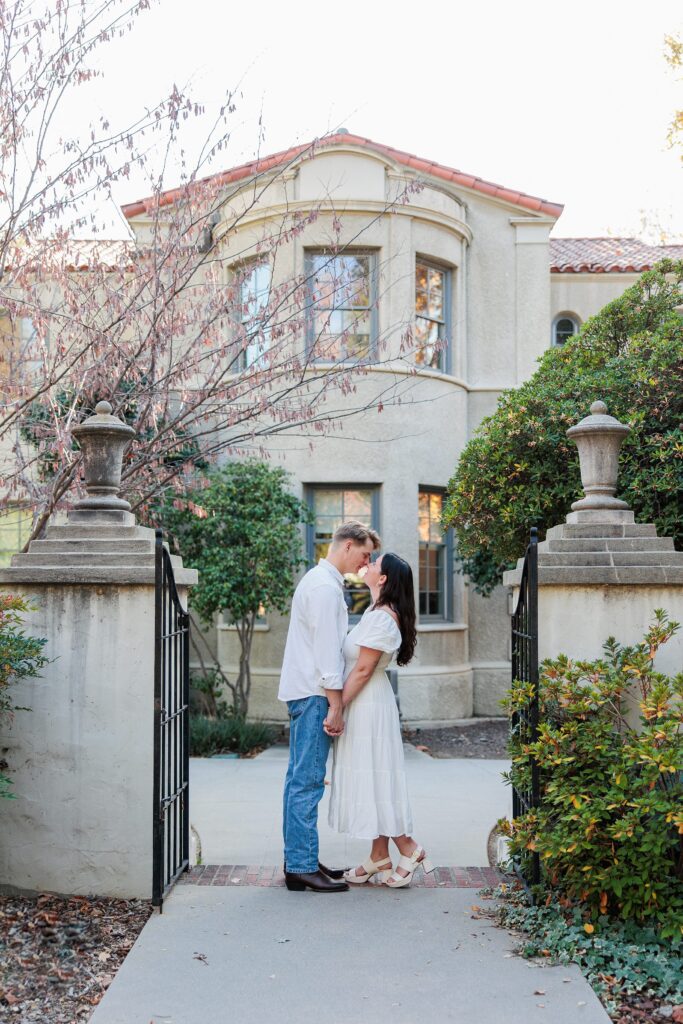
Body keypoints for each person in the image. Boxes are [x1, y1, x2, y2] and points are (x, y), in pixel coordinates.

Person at [279, 521, 381, 893]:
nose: (366, 563)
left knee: (299, 780)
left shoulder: (322, 582)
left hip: (307, 692)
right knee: (307, 782)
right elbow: (326, 656)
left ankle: (299, 860)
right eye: (365, 554)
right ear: (348, 545)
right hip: (314, 694)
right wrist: (335, 707)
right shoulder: (323, 588)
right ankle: (301, 866)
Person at [327, 552, 433, 888]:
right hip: (364, 699)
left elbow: (362, 669)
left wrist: (336, 707)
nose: (368, 564)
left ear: (383, 578)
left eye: (375, 563)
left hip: (367, 702)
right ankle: (378, 856)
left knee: (375, 774)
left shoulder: (384, 619)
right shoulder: (375, 612)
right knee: (371, 773)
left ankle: (409, 848)